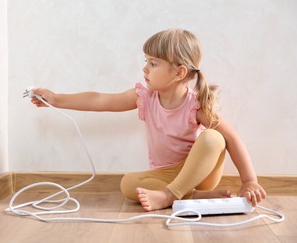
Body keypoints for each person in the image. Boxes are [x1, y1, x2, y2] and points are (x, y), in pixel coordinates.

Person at [30, 28, 266, 211]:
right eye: (146, 61)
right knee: (127, 184)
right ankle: (194, 197)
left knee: (214, 138)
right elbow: (100, 100)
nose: (145, 69)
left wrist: (249, 181)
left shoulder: (195, 106)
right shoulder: (144, 97)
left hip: (197, 173)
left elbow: (232, 139)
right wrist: (56, 98)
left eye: (153, 64)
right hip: (164, 174)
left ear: (178, 72)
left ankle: (170, 196)